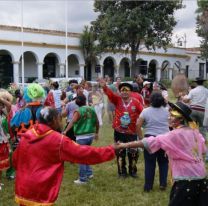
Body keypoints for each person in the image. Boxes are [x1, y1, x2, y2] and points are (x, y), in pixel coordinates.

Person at [13, 106, 116, 205]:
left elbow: (15, 160)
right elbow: (84, 153)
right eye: (59, 118)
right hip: (41, 187)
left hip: (23, 185)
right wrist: (110, 149)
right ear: (53, 119)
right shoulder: (58, 140)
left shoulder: (27, 135)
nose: (60, 121)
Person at [116, 101, 208, 206]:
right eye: (169, 115)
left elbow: (148, 142)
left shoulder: (174, 135)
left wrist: (124, 145)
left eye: (173, 116)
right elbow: (203, 150)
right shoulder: (195, 132)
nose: (169, 118)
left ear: (181, 119)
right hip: (201, 176)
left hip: (185, 179)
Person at [99, 79, 143, 178]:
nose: (124, 92)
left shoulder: (136, 102)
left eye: (126, 90)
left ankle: (133, 171)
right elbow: (110, 94)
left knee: (133, 152)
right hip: (119, 132)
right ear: (120, 92)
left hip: (132, 132)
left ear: (130, 92)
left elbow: (143, 113)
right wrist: (104, 87)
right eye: (122, 90)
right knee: (120, 152)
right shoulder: (117, 100)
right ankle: (122, 172)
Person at [63, 95, 99, 184]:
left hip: (81, 136)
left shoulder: (78, 111)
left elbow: (72, 122)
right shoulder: (92, 109)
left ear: (77, 102)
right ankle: (89, 173)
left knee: (81, 157)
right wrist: (97, 133)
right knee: (86, 154)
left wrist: (65, 131)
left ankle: (83, 178)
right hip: (90, 135)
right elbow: (97, 122)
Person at [137, 92, 169, 192]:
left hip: (150, 138)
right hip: (164, 139)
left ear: (151, 100)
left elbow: (138, 125)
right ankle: (163, 184)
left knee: (150, 163)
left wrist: (141, 139)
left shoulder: (145, 111)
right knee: (164, 162)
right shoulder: (167, 111)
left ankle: (148, 187)